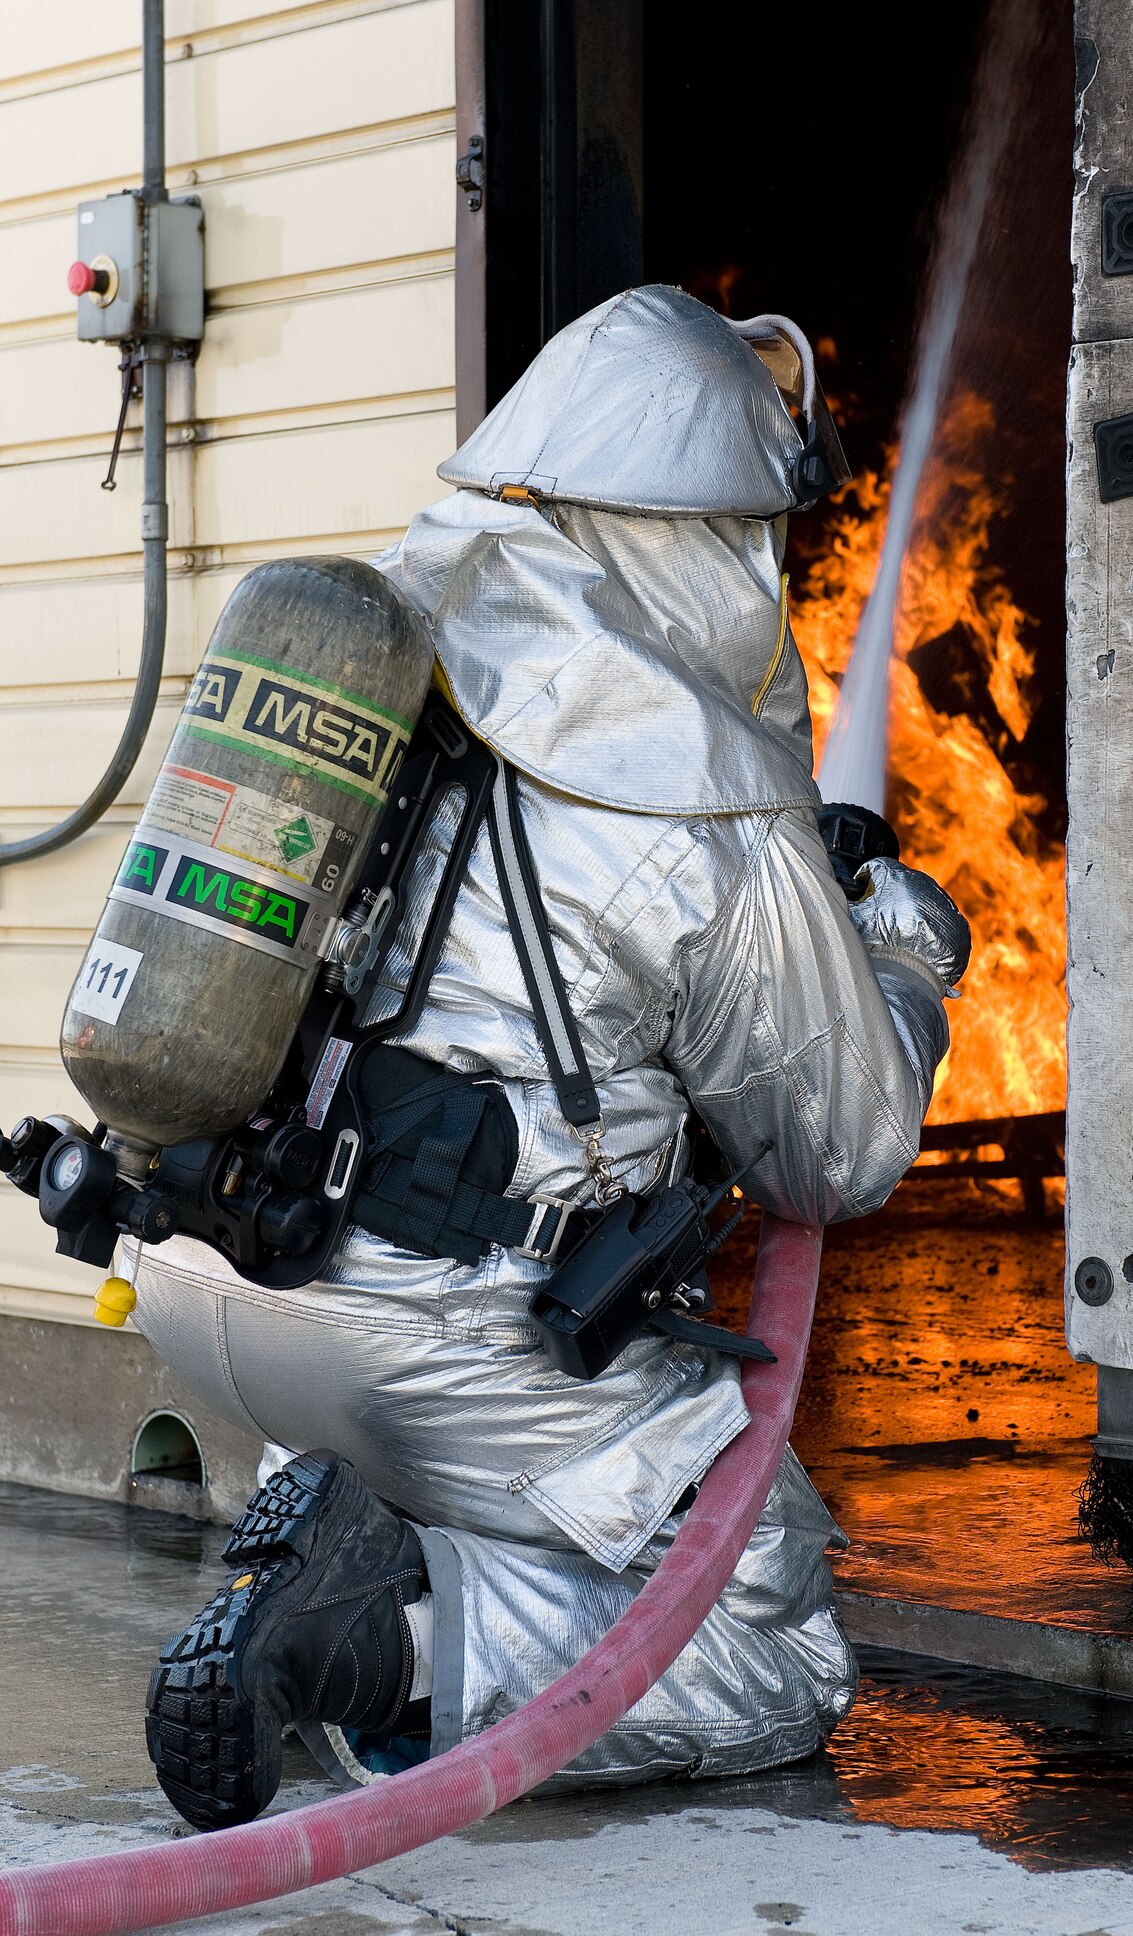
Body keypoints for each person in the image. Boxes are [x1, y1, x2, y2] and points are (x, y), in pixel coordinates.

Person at [134, 286, 971, 1829]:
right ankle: (372, 1649)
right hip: (435, 1346)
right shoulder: (690, 789)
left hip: (208, 1272)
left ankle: (336, 1530)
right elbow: (833, 1154)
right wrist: (903, 952)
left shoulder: (368, 635)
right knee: (765, 1616)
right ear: (709, 532)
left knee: (487, 1450)